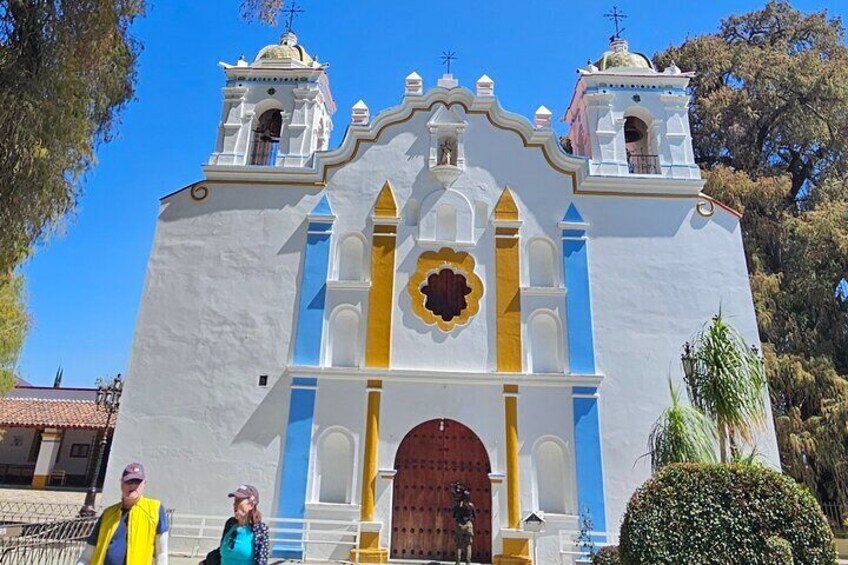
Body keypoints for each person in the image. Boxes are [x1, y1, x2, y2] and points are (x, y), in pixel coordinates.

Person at [77, 462, 169, 565]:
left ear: (144, 484)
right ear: (121, 483)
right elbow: (87, 555)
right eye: (129, 481)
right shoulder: (108, 514)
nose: (133, 486)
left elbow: (161, 554)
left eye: (137, 482)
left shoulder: (155, 510)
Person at [200, 484, 269, 565]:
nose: (234, 504)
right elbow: (222, 551)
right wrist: (206, 562)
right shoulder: (230, 524)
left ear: (251, 505)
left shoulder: (259, 529)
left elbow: (261, 560)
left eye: (239, 501)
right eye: (235, 501)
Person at [451, 482, 476, 565]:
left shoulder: (457, 506)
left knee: (459, 545)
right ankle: (468, 563)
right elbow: (474, 516)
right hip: (468, 525)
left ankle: (458, 562)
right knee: (468, 545)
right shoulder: (471, 505)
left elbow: (454, 515)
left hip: (460, 525)